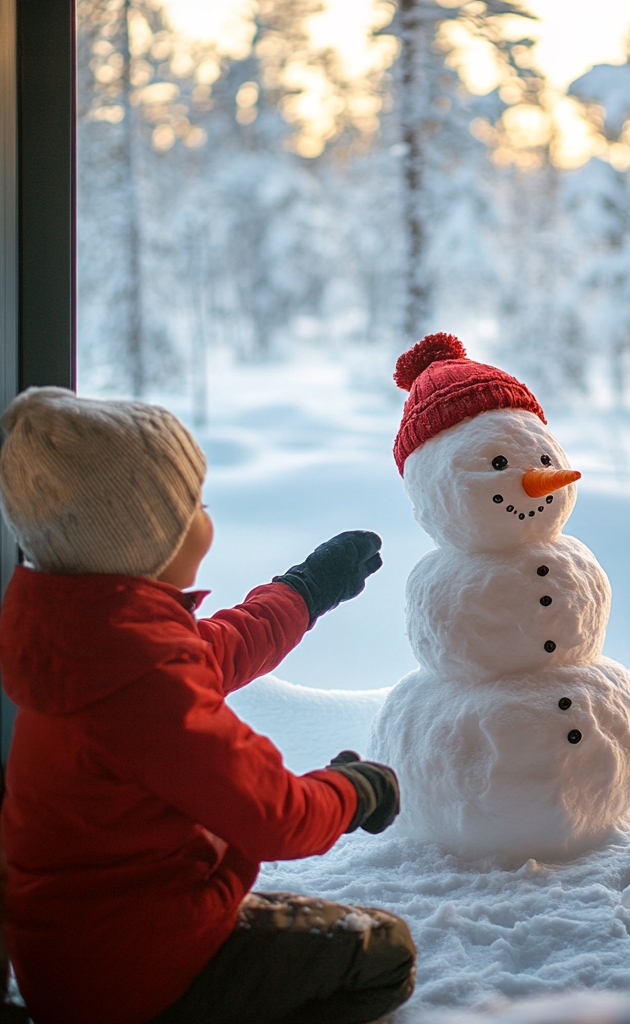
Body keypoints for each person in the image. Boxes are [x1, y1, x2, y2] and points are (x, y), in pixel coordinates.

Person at [0, 388, 416, 1024]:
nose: (205, 515)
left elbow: (218, 648)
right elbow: (272, 814)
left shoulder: (82, 638)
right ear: (149, 540)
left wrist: (303, 592)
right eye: (192, 505)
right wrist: (353, 791)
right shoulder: (144, 689)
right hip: (139, 977)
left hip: (74, 955)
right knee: (383, 953)